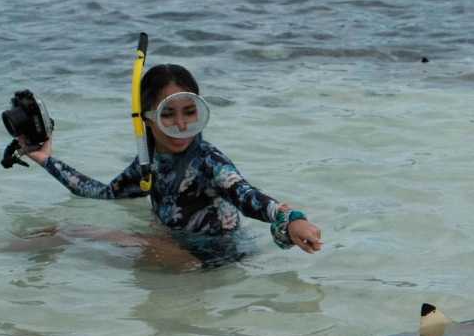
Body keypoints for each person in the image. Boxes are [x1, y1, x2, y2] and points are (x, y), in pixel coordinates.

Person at [17, 64, 323, 261]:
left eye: (189, 112)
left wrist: (292, 219)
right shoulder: (149, 164)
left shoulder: (208, 161)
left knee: (71, 233)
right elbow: (102, 193)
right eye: (167, 114)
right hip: (173, 256)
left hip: (213, 260)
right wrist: (45, 158)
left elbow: (245, 195)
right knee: (67, 233)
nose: (180, 124)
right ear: (147, 119)